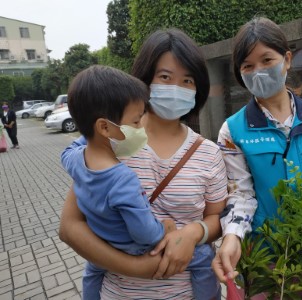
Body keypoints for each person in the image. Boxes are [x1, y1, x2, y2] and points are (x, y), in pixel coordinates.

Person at [59, 28, 228, 300]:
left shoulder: (208, 152)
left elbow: (217, 218)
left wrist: (195, 232)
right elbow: (70, 227)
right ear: (145, 78)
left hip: (190, 291)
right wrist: (136, 267)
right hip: (118, 291)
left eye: (187, 80)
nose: (176, 88)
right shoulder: (113, 139)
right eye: (164, 77)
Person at [212, 17, 302, 283]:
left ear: (287, 60)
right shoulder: (232, 131)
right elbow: (239, 193)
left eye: (267, 60)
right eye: (248, 66)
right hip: (265, 252)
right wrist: (232, 235)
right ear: (240, 74)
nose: (259, 71)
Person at [61, 65, 177, 300]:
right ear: (104, 127)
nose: (140, 127)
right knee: (201, 258)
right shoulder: (122, 179)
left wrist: (90, 129)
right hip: (132, 249)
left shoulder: (75, 160)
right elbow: (145, 233)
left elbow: (69, 148)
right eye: (135, 122)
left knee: (92, 272)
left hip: (100, 243)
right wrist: (165, 227)